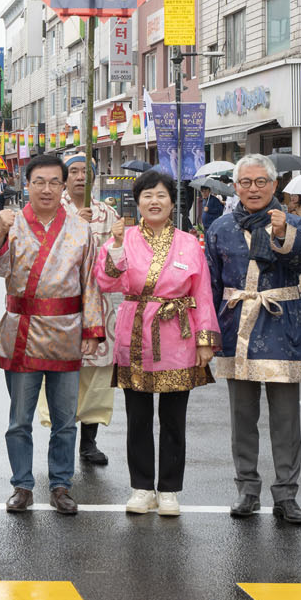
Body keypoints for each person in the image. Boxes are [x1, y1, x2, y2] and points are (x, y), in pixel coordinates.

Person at [0, 153, 106, 516]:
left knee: (65, 421)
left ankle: (61, 485)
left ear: (63, 186)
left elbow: (91, 284)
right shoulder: (13, 223)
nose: (47, 189)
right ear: (27, 185)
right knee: (19, 420)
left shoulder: (80, 229)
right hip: (21, 330)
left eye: (54, 182)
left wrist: (92, 330)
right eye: (39, 182)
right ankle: (22, 485)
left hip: (67, 332)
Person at [95, 167, 216, 517]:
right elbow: (106, 282)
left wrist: (205, 340)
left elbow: (202, 294)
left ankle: (170, 490)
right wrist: (117, 247)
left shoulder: (189, 243)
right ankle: (142, 487)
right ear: (137, 202)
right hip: (135, 333)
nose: (154, 201)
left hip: (178, 335)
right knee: (138, 417)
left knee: (174, 418)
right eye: (147, 195)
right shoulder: (123, 238)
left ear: (172, 202)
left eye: (161, 195)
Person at [206, 154, 301, 525]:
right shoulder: (220, 227)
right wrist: (208, 332)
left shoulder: (294, 222)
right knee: (242, 416)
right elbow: (212, 283)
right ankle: (247, 490)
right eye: (246, 182)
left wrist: (283, 234)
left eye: (261, 182)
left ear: (274, 185)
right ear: (235, 187)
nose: (253, 189)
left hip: (283, 326)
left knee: (286, 419)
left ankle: (286, 494)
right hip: (236, 326)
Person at [38, 154, 124, 465]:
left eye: (84, 172)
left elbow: (116, 262)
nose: (78, 177)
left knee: (96, 378)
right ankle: (61, 438)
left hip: (97, 305)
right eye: (72, 171)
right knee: (59, 374)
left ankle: (89, 441)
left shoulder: (108, 213)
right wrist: (75, 227)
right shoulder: (51, 209)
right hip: (60, 307)